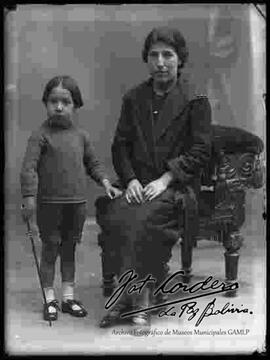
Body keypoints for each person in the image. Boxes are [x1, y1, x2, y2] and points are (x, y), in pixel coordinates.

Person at [95, 27, 212, 328]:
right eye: (154, 55)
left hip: (175, 186)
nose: (160, 62)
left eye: (167, 55)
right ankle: (133, 293)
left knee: (144, 218)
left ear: (180, 59)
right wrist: (131, 180)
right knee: (118, 213)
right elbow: (120, 145)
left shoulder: (195, 99)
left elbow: (201, 150)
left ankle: (138, 296)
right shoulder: (134, 98)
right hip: (138, 185)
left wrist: (165, 179)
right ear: (146, 59)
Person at [20, 75, 122, 322]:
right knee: (50, 250)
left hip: (76, 205)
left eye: (65, 101)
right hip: (49, 205)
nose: (58, 106)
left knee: (69, 250)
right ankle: (50, 299)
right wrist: (29, 197)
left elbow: (93, 164)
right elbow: (29, 169)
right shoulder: (40, 135)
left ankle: (67, 297)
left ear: (75, 105)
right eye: (53, 101)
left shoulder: (81, 136)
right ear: (46, 103)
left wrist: (106, 182)